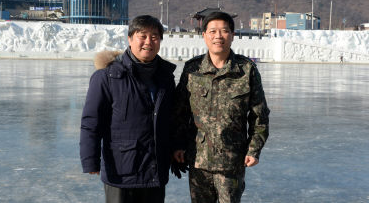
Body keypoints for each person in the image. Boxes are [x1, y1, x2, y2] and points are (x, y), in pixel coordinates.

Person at [172, 11, 270, 203]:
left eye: (224, 31)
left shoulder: (246, 70)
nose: (218, 36)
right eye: (213, 31)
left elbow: (260, 116)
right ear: (204, 35)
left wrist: (253, 149)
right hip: (198, 161)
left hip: (232, 161)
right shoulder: (192, 69)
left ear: (232, 35)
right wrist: (178, 145)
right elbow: (180, 113)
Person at [80, 15, 176, 203]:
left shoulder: (166, 78)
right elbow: (91, 122)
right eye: (143, 36)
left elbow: (171, 120)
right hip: (121, 170)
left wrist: (176, 148)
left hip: (155, 170)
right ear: (130, 38)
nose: (149, 41)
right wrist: (90, 159)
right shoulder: (106, 77)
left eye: (155, 36)